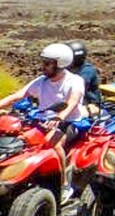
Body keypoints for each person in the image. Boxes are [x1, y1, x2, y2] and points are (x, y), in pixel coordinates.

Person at [0, 43, 88, 203]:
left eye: (48, 63)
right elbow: (17, 96)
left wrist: (59, 117)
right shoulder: (41, 81)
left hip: (68, 122)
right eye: (44, 62)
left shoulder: (75, 81)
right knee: (14, 136)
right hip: (42, 121)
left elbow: (72, 102)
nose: (43, 66)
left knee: (52, 142)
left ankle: (64, 186)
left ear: (60, 64)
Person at [66, 40, 102, 114]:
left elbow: (77, 89)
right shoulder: (66, 68)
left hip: (88, 104)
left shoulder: (87, 70)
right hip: (71, 103)